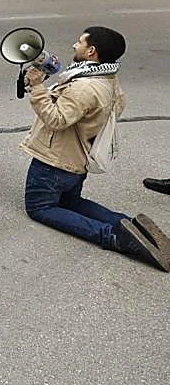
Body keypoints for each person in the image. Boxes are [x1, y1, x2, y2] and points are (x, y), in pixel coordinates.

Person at [21, 26, 170, 270]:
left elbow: (56, 119)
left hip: (55, 162)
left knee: (40, 207)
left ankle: (114, 237)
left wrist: (37, 88)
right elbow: (114, 106)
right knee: (71, 202)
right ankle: (128, 225)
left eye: (79, 42)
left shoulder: (84, 87)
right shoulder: (107, 77)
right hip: (77, 161)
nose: (74, 45)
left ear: (91, 51)